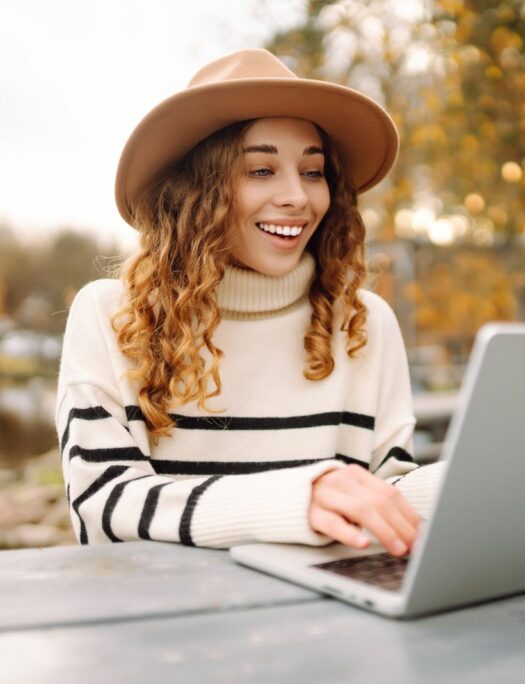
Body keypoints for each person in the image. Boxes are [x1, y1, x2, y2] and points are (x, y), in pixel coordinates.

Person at [56, 49, 442, 558]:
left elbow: (385, 495)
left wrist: (479, 479)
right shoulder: (110, 316)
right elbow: (101, 507)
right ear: (197, 190)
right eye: (261, 170)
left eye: (312, 171)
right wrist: (296, 500)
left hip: (331, 620)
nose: (297, 197)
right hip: (165, 625)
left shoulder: (366, 322)